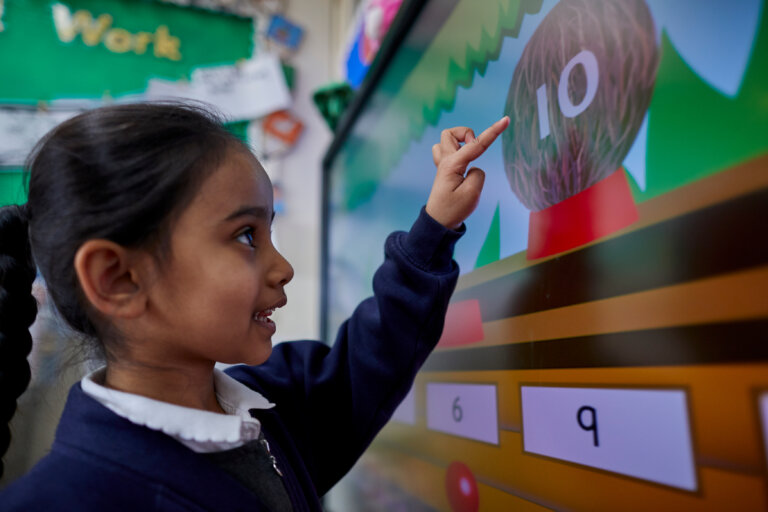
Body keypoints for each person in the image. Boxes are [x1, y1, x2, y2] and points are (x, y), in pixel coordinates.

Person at [0, 102, 509, 511]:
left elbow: (375, 355)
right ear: (120, 278)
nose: (282, 266)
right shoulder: (67, 498)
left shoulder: (272, 409)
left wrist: (434, 227)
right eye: (246, 235)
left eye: (270, 231)